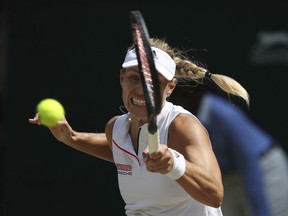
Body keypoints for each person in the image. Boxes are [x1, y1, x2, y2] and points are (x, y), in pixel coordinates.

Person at [29, 38, 224, 215]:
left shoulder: (182, 126)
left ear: (170, 87)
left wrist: (173, 163)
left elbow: (214, 194)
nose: (141, 90)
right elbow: (123, 152)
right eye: (133, 77)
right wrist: (70, 137)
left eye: (152, 82)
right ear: (122, 78)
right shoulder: (116, 129)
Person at [169, 64, 288, 216]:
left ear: (199, 92)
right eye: (176, 94)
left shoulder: (223, 115)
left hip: (264, 170)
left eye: (185, 94)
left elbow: (249, 164)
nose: (180, 101)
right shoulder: (176, 118)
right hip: (227, 180)